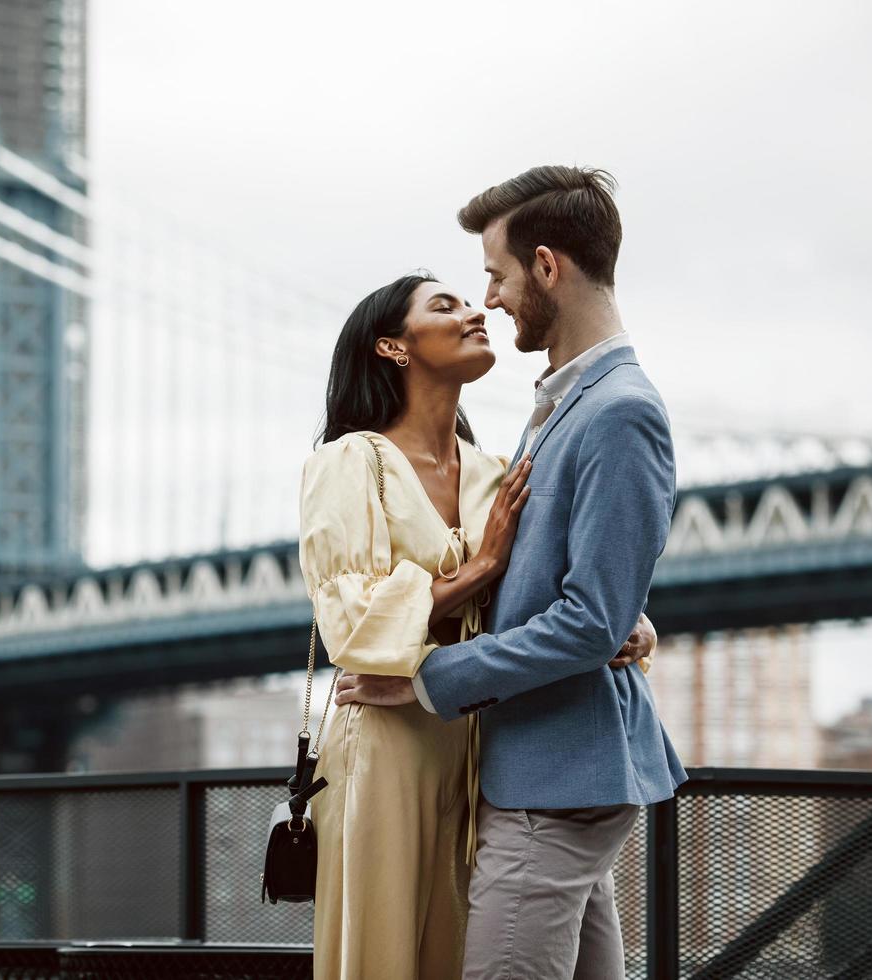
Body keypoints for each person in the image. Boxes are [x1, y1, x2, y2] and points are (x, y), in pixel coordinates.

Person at [335, 166, 687, 980]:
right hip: (555, 770)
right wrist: (622, 616)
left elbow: (587, 617)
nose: (488, 299)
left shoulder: (618, 410)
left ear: (548, 266)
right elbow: (593, 591)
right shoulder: (567, 404)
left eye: (495, 275)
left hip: (552, 783)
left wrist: (427, 679)